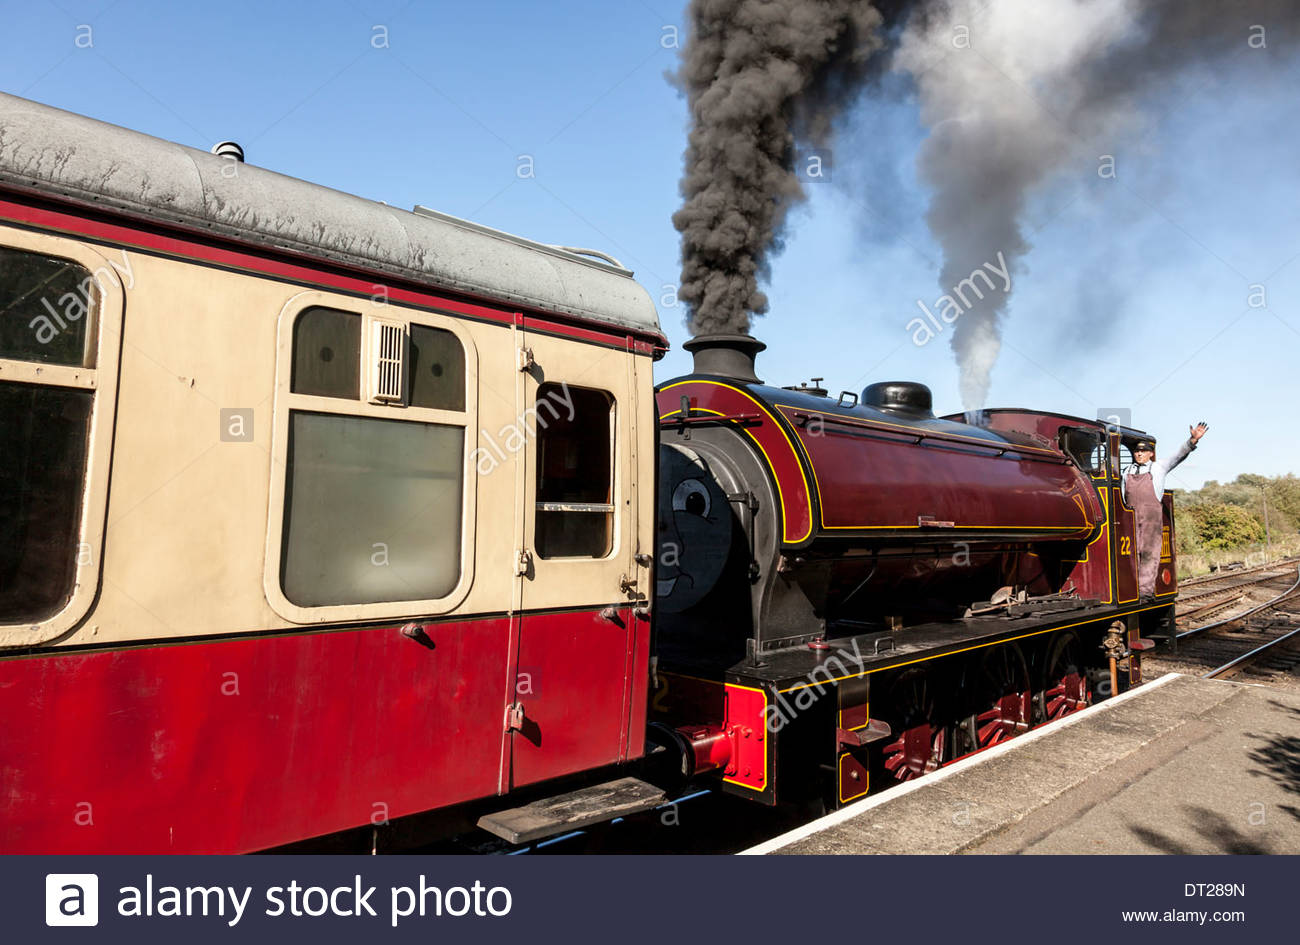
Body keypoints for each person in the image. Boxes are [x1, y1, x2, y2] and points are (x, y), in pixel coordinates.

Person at [1121, 422, 1209, 600]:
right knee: (1130, 553)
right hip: (1130, 514)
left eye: (1143, 451)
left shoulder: (1159, 467)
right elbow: (1123, 493)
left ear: (1150, 454)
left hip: (1151, 516)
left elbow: (1178, 456)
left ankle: (1145, 591)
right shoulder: (1126, 471)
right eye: (1137, 451)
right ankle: (1130, 589)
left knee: (1149, 553)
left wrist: (1192, 440)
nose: (1139, 454)